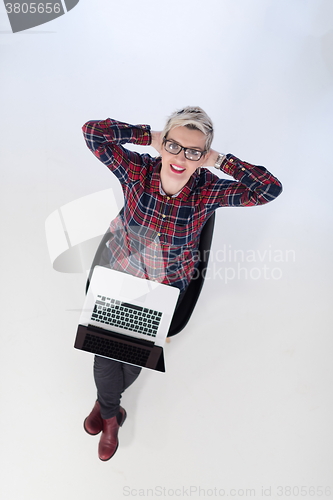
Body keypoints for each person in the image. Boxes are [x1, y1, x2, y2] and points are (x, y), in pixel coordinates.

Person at [81, 106, 282, 461]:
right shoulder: (138, 170)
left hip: (166, 286)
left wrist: (221, 161)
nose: (181, 158)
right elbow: (93, 132)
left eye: (194, 152)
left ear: (203, 156)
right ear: (164, 142)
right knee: (106, 355)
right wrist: (148, 137)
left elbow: (269, 190)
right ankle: (111, 416)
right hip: (122, 273)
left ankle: (106, 406)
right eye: (174, 146)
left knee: (132, 355)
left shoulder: (208, 190)